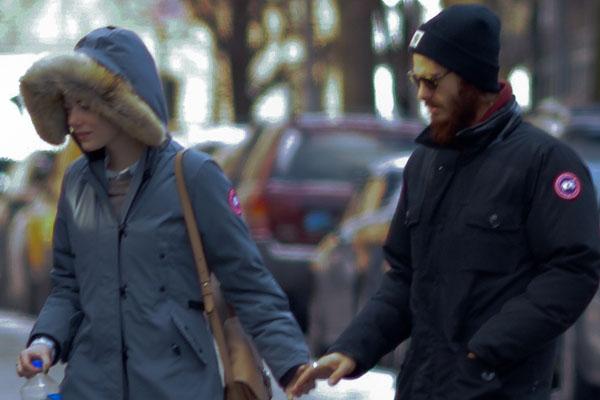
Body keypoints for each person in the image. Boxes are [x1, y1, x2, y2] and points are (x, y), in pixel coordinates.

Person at [290, 4, 600, 400]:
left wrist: (485, 352)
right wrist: (352, 348)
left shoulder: (545, 163)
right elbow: (404, 277)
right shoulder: (425, 162)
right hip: (423, 387)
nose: (422, 94)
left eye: (433, 82)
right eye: (416, 80)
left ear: (471, 78)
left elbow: (573, 271)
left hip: (498, 390)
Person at [16, 26, 309, 399]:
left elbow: (248, 282)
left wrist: (291, 364)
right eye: (68, 105)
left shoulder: (194, 174)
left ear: (123, 100)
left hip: (176, 387)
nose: (73, 119)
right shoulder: (76, 183)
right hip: (90, 387)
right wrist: (45, 340)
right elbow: (68, 285)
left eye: (86, 104)